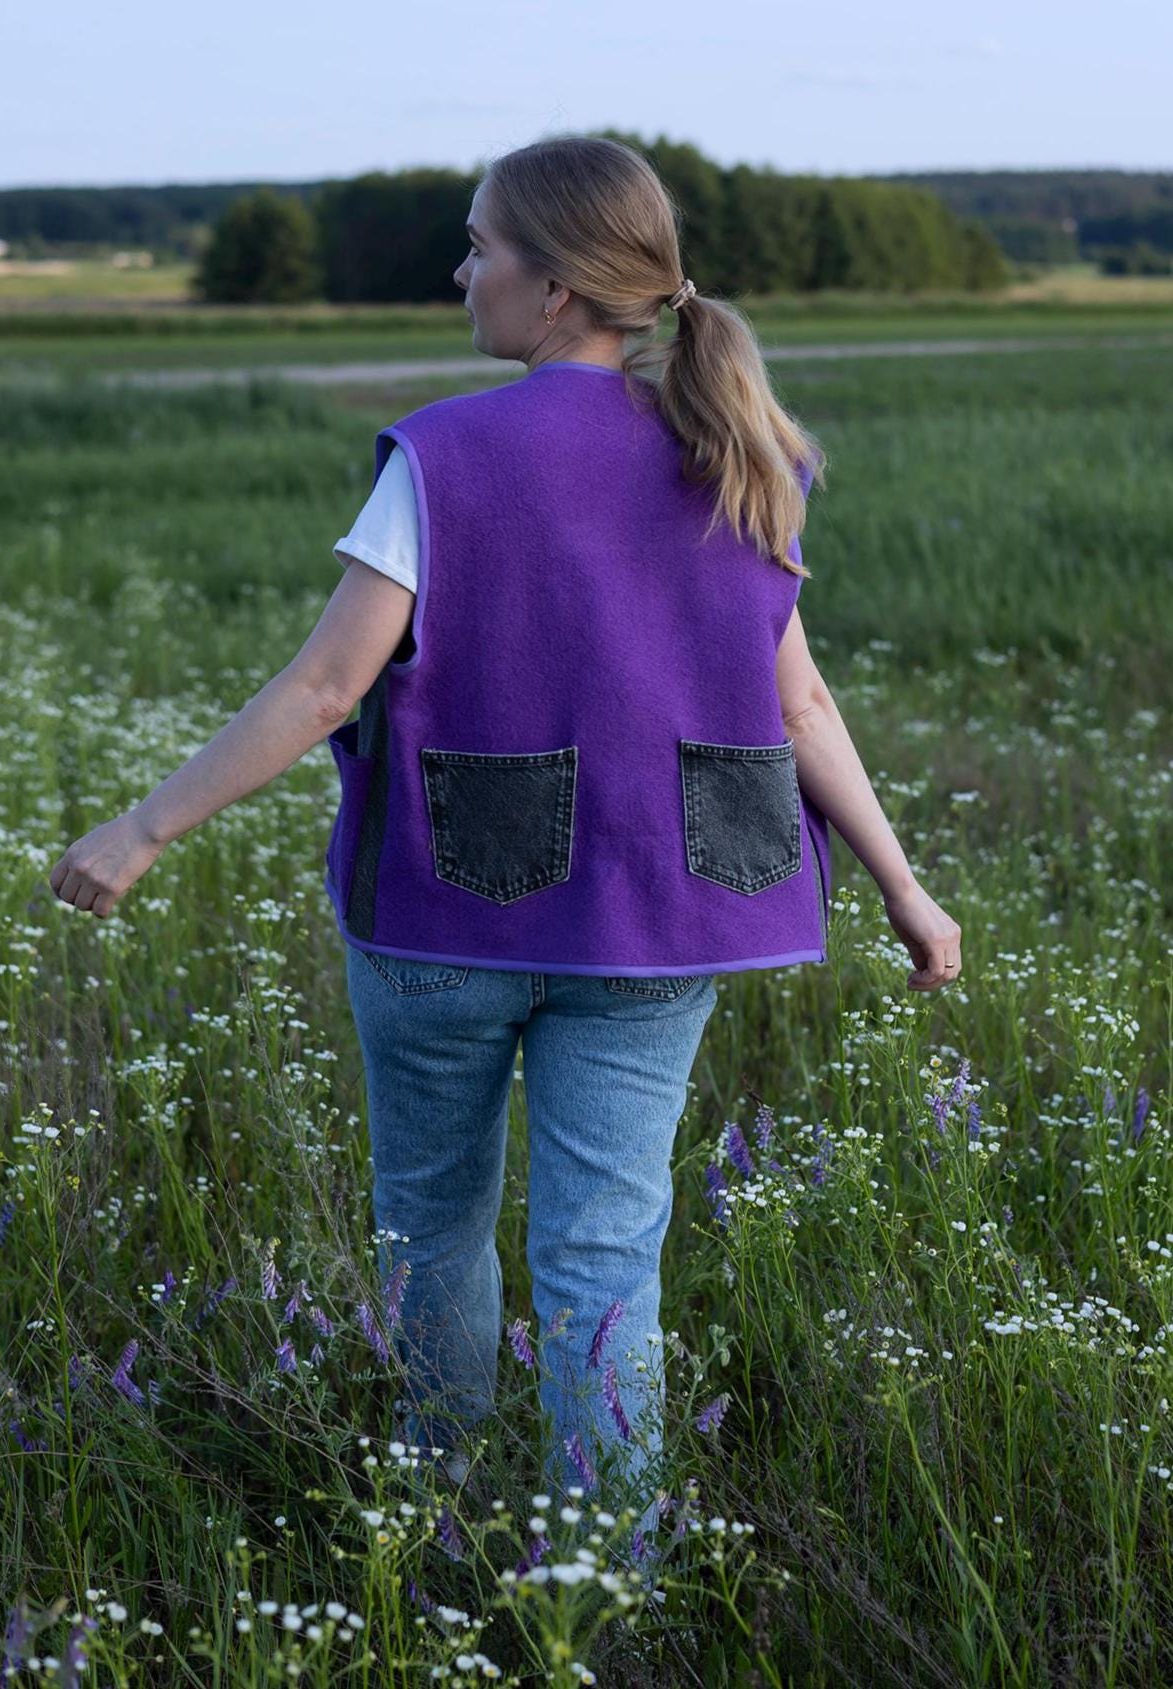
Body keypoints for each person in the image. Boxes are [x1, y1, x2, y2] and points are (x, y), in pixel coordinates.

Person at [49, 135, 962, 1561]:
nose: (460, 269)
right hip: (662, 924)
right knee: (607, 1251)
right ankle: (603, 1574)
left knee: (432, 1231)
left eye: (479, 246)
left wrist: (144, 826)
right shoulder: (737, 452)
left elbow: (324, 688)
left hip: (439, 920)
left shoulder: (445, 454)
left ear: (551, 288)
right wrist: (903, 888)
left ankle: (439, 1509)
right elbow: (799, 700)